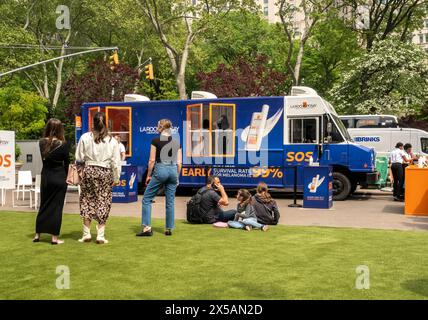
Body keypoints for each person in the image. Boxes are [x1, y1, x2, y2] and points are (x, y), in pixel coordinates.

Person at [75, 112, 121, 244]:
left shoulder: (85, 137)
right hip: (105, 172)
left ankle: (86, 234)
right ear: (105, 123)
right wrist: (116, 178)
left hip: (89, 171)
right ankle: (100, 235)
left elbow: (78, 158)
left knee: (86, 200)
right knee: (103, 201)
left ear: (92, 123)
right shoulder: (112, 141)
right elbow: (116, 162)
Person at [136, 119, 182, 237]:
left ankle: (147, 228)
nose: (156, 127)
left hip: (161, 169)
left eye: (157, 126)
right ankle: (168, 228)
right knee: (170, 202)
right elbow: (179, 162)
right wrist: (177, 177)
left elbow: (151, 161)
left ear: (161, 128)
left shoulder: (155, 140)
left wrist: (148, 175)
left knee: (146, 199)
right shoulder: (176, 142)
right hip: (173, 170)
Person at [33, 119, 70, 245]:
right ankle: (54, 238)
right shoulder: (64, 144)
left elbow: (45, 161)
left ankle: (37, 234)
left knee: (43, 204)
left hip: (46, 176)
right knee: (56, 207)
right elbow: (67, 163)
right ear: (60, 129)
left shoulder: (41, 143)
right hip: (59, 177)